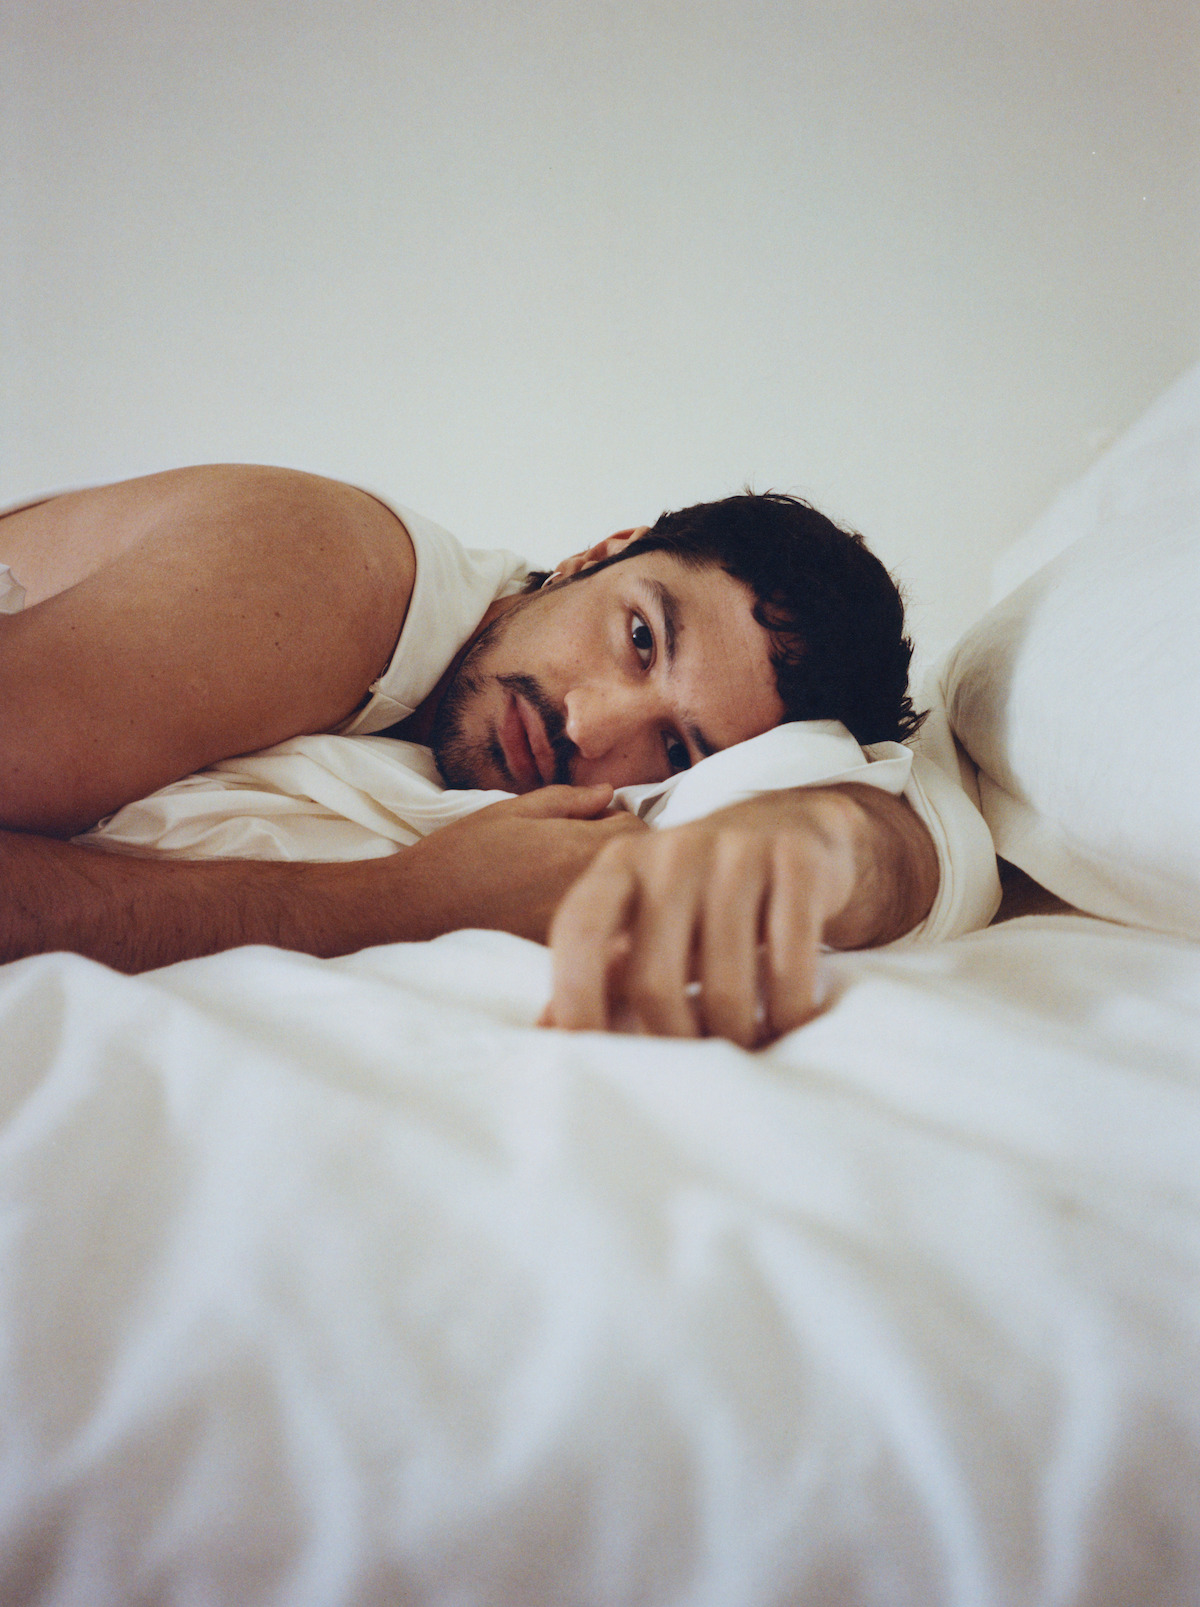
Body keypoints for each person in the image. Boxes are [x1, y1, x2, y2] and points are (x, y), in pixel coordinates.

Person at [0, 464, 982, 1045]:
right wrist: (403, 900)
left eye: (678, 748)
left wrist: (813, 837)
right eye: (639, 637)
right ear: (598, 552)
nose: (590, 726)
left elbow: (910, 829)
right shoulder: (323, 576)